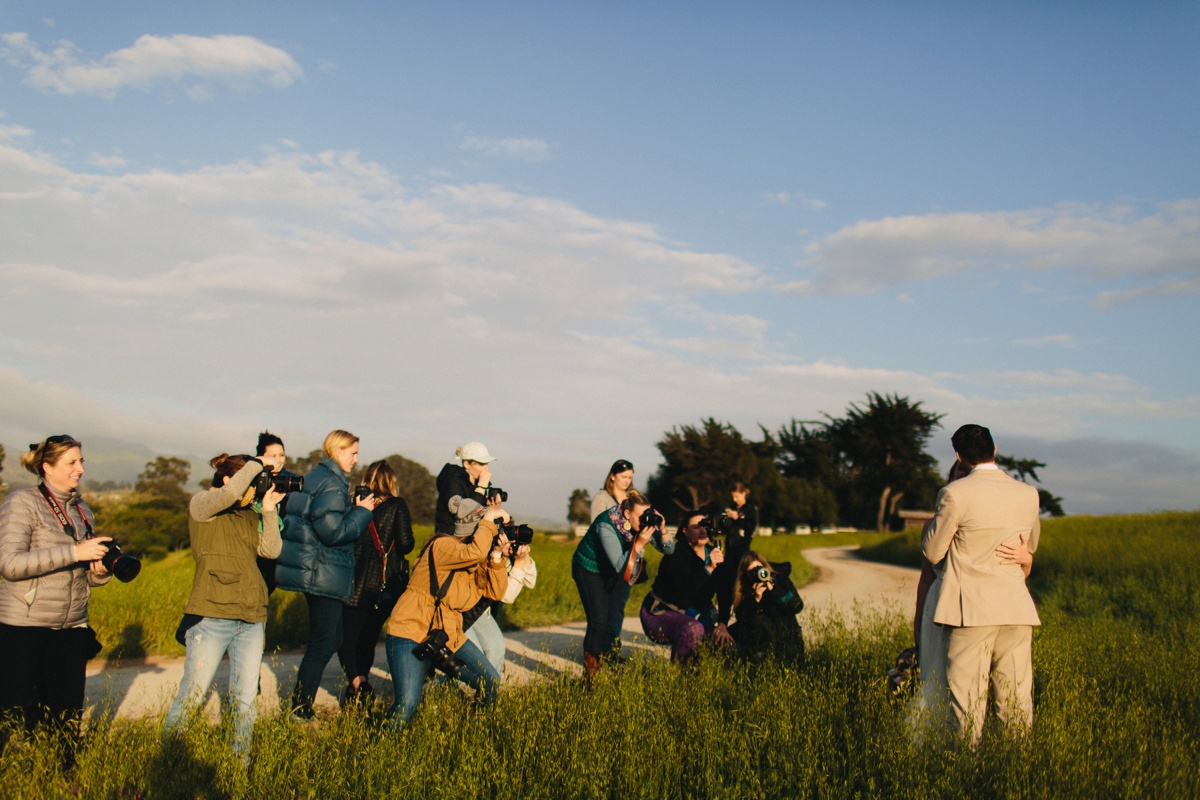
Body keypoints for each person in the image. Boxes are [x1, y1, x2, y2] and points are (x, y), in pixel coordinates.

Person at [922, 424, 1041, 745]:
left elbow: (933, 552)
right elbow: (1029, 548)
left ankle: (964, 771)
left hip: (969, 611)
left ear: (959, 456)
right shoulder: (1028, 494)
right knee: (1015, 699)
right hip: (1016, 608)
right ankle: (1015, 769)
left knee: (965, 702)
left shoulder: (954, 494)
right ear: (995, 448)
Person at [164, 454, 283, 758]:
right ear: (229, 479)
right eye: (251, 483)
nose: (255, 490)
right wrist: (257, 462)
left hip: (252, 615)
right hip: (212, 614)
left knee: (245, 698)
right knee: (193, 694)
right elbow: (230, 494)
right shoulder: (202, 505)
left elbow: (271, 550)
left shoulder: (248, 515)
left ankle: (237, 765)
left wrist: (268, 511)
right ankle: (169, 762)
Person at [0, 435, 111, 759]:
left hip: (71, 627)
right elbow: (9, 564)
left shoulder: (81, 509)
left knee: (66, 718)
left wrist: (99, 573)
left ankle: (63, 780)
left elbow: (83, 572)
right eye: (72, 462)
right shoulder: (22, 502)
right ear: (47, 467)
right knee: (14, 717)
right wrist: (74, 551)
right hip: (23, 626)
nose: (80, 468)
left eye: (81, 461)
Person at [276, 429, 376, 719]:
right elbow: (333, 532)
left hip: (314, 569)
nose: (356, 459)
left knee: (333, 639)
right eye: (353, 453)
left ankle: (303, 702)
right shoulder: (332, 485)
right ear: (337, 450)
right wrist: (362, 511)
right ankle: (300, 709)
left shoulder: (313, 477)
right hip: (324, 572)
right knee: (323, 642)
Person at [384, 499, 511, 726]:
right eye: (488, 526)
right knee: (407, 703)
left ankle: (478, 728)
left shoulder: (478, 560)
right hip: (411, 630)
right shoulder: (442, 547)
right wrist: (489, 520)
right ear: (476, 528)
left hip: (447, 635)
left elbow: (497, 592)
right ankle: (380, 750)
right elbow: (473, 551)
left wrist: (497, 556)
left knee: (489, 680)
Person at [572, 490, 672, 683]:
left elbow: (668, 549)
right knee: (598, 620)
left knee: (612, 617)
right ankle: (590, 676)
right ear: (627, 514)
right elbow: (620, 564)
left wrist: (664, 529)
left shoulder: (642, 524)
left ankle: (607, 658)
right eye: (640, 517)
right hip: (590, 569)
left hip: (615, 571)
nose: (644, 521)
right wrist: (638, 545)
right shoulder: (606, 524)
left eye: (647, 515)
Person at [337, 460, 414, 707]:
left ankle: (358, 684)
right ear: (390, 481)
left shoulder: (353, 503)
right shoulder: (396, 505)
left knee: (347, 639)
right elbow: (405, 544)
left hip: (351, 579)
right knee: (368, 638)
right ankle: (363, 683)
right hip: (383, 586)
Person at [640, 512, 734, 664]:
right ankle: (681, 675)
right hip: (661, 612)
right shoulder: (675, 555)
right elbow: (684, 593)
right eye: (696, 527)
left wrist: (723, 624)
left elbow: (725, 593)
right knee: (693, 629)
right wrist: (708, 568)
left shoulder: (715, 553)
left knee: (726, 641)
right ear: (684, 531)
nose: (702, 530)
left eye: (705, 525)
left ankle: (706, 678)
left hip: (695, 614)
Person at [728, 551, 805, 664]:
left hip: (786, 637)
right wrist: (756, 598)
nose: (758, 573)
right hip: (760, 643)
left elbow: (796, 606)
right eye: (752, 571)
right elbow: (743, 619)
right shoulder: (744, 588)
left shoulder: (779, 579)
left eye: (759, 568)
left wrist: (774, 589)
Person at [253, 430, 296, 596]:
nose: (278, 461)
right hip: (255, 551)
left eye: (281, 455)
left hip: (280, 553)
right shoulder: (252, 481)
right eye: (272, 456)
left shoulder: (291, 482)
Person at [715, 482, 758, 625]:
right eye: (733, 497)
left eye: (737, 496)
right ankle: (724, 616)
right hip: (730, 551)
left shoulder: (750, 509)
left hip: (742, 551)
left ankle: (743, 614)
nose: (735, 500)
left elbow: (751, 528)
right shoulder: (732, 508)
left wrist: (738, 518)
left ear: (744, 493)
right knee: (727, 583)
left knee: (740, 583)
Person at [434, 442, 499, 535]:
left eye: (487, 464)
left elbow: (475, 516)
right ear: (466, 464)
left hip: (468, 542)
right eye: (481, 464)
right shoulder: (452, 479)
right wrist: (481, 488)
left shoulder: (476, 483)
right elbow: (461, 512)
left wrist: (492, 509)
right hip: (451, 540)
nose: (486, 469)